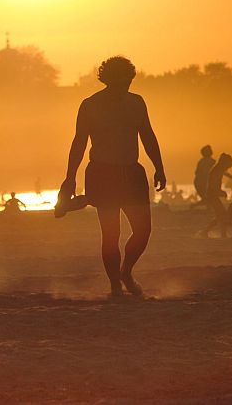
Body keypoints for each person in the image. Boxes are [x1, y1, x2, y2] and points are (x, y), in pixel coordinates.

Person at [56, 56, 165, 297]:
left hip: (132, 171)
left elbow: (147, 135)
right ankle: (115, 285)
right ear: (108, 79)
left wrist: (159, 166)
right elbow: (79, 142)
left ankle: (126, 271)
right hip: (102, 171)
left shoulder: (137, 103)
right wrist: (70, 177)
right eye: (121, 81)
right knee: (111, 234)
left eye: (128, 81)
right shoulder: (90, 105)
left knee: (143, 230)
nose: (125, 85)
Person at [200, 153, 232, 238]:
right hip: (211, 194)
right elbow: (212, 185)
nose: (228, 168)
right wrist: (220, 192)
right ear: (224, 163)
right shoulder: (216, 171)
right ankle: (214, 233)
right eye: (228, 166)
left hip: (213, 194)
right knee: (222, 214)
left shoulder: (219, 169)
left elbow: (226, 173)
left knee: (221, 215)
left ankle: (210, 232)